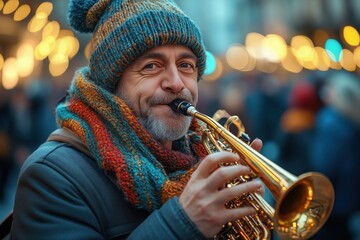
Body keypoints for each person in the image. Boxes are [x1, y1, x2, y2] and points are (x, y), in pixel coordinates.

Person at [10, 0, 264, 239]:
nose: (176, 83)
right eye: (151, 66)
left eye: (186, 65)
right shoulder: (51, 175)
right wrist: (183, 222)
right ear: (111, 84)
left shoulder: (202, 153)